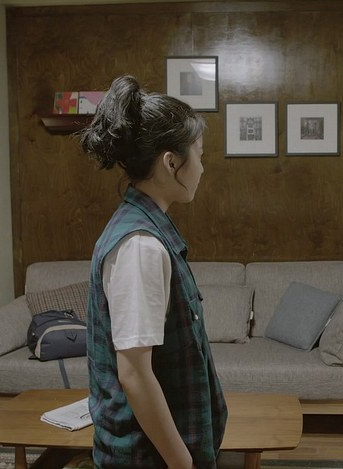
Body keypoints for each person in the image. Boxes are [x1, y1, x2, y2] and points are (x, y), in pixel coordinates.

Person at [79, 75, 227, 468]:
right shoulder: (140, 246)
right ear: (171, 162)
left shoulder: (147, 230)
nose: (202, 169)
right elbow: (134, 375)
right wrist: (182, 463)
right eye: (199, 155)